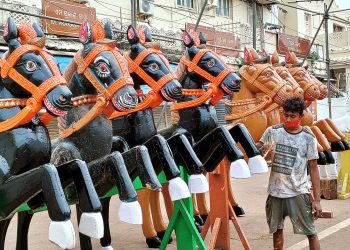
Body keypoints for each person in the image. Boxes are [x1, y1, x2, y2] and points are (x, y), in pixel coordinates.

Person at [256, 97, 322, 250]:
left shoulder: (308, 138)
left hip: (298, 193)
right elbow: (256, 148)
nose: (288, 119)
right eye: (286, 115)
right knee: (277, 232)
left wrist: (317, 200)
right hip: (275, 193)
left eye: (293, 116)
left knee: (311, 233)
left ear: (300, 116)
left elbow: (313, 168)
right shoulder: (272, 132)